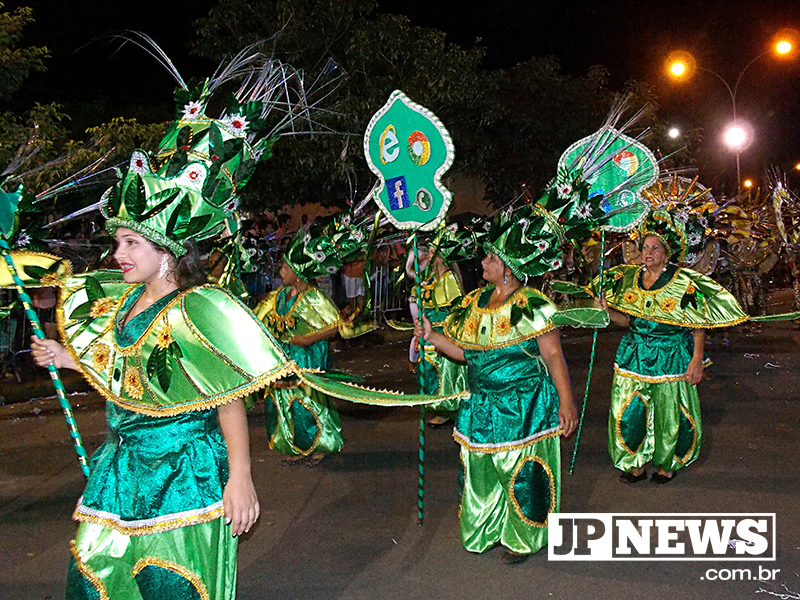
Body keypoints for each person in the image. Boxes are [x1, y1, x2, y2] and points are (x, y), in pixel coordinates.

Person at [27, 53, 309, 598]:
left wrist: (241, 478)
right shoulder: (122, 302)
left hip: (185, 472)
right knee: (93, 576)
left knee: (170, 583)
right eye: (117, 242)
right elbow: (123, 367)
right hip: (120, 468)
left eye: (131, 243)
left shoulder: (196, 309)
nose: (118, 253)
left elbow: (228, 395)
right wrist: (66, 357)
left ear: (167, 252)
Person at [415, 211, 578, 564]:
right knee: (481, 473)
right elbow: (466, 354)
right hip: (481, 404)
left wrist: (566, 403)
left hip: (525, 405)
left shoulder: (534, 306)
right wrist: (431, 336)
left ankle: (524, 535)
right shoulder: (473, 303)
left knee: (522, 472)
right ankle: (486, 528)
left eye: (490, 257)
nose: (483, 261)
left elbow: (552, 356)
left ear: (507, 267)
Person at [595, 211, 747, 484]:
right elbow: (628, 320)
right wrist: (606, 314)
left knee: (670, 413)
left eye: (655, 248)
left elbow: (697, 323)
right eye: (645, 247)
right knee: (630, 410)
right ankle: (635, 463)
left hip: (673, 354)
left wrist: (696, 359)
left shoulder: (683, 282)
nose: (649, 252)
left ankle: (666, 464)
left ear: (666, 254)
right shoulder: (629, 279)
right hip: (634, 353)